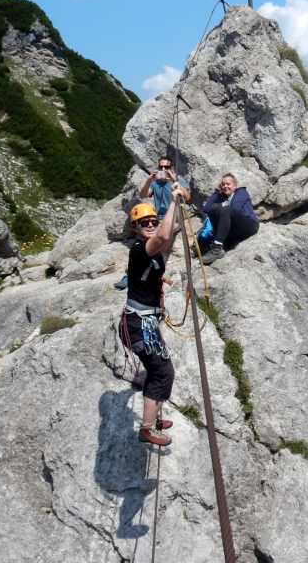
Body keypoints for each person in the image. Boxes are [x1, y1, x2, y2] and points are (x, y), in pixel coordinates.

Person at [119, 182, 184, 446]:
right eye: (143, 222)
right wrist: (169, 202)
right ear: (135, 228)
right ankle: (147, 427)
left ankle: (153, 417)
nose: (149, 224)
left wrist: (177, 201)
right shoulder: (139, 250)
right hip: (138, 324)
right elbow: (164, 236)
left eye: (152, 220)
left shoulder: (153, 246)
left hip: (144, 322)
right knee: (162, 372)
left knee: (157, 369)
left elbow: (173, 227)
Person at [114, 156, 190, 289]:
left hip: (174, 217)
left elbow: (187, 197)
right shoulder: (155, 184)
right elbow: (144, 195)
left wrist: (174, 180)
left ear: (171, 168)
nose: (163, 169)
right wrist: (149, 180)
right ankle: (132, 272)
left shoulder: (178, 182)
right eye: (161, 167)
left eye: (166, 167)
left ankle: (152, 266)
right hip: (158, 218)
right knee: (143, 239)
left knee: (162, 235)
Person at [201, 173, 259, 265]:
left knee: (226, 210)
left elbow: (234, 209)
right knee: (213, 208)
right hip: (234, 232)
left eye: (228, 184)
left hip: (249, 226)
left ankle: (217, 247)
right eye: (223, 184)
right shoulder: (222, 198)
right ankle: (224, 244)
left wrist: (223, 208)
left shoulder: (241, 192)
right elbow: (206, 209)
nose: (225, 186)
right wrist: (217, 191)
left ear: (235, 186)